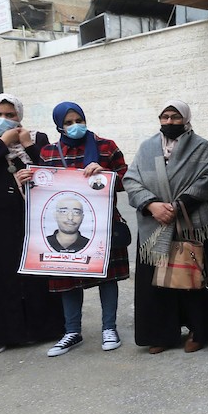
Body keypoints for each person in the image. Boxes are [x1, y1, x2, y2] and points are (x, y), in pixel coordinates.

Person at [123, 101, 208, 353]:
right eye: (165, 117)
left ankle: (200, 330)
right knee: (158, 282)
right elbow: (131, 179)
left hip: (192, 220)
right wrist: (152, 205)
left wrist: (178, 205)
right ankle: (162, 334)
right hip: (155, 223)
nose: (170, 122)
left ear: (185, 118)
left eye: (175, 117)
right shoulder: (147, 147)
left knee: (194, 276)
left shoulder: (200, 146)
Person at [0, 94, 63, 353]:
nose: (4, 119)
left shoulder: (36, 137)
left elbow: (52, 172)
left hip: (27, 213)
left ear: (19, 116)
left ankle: (40, 329)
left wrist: (28, 146)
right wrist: (3, 143)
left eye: (10, 115)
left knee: (33, 270)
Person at [32, 102, 132, 358]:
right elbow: (42, 187)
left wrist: (105, 174)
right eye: (68, 122)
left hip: (102, 223)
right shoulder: (48, 151)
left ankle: (109, 328)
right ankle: (72, 331)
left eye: (79, 120)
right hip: (65, 225)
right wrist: (28, 181)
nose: (75, 126)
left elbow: (128, 179)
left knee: (106, 278)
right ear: (59, 126)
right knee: (67, 276)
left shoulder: (106, 147)